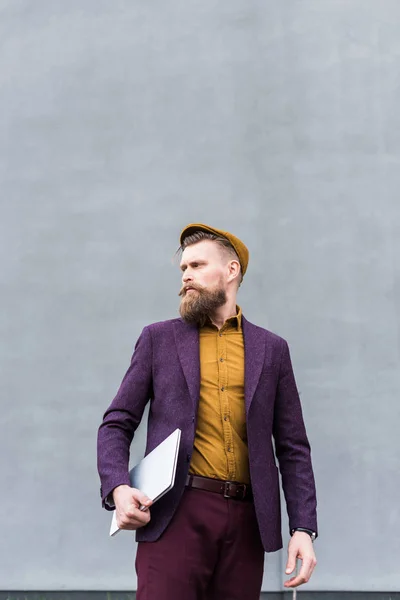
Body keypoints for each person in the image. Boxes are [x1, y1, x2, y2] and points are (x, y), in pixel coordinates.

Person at [97, 223, 318, 600]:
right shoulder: (158, 339)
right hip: (176, 515)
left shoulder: (273, 349)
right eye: (184, 269)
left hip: (248, 523)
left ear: (231, 271)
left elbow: (293, 447)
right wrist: (118, 487)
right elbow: (116, 424)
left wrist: (303, 528)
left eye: (197, 266)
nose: (186, 277)